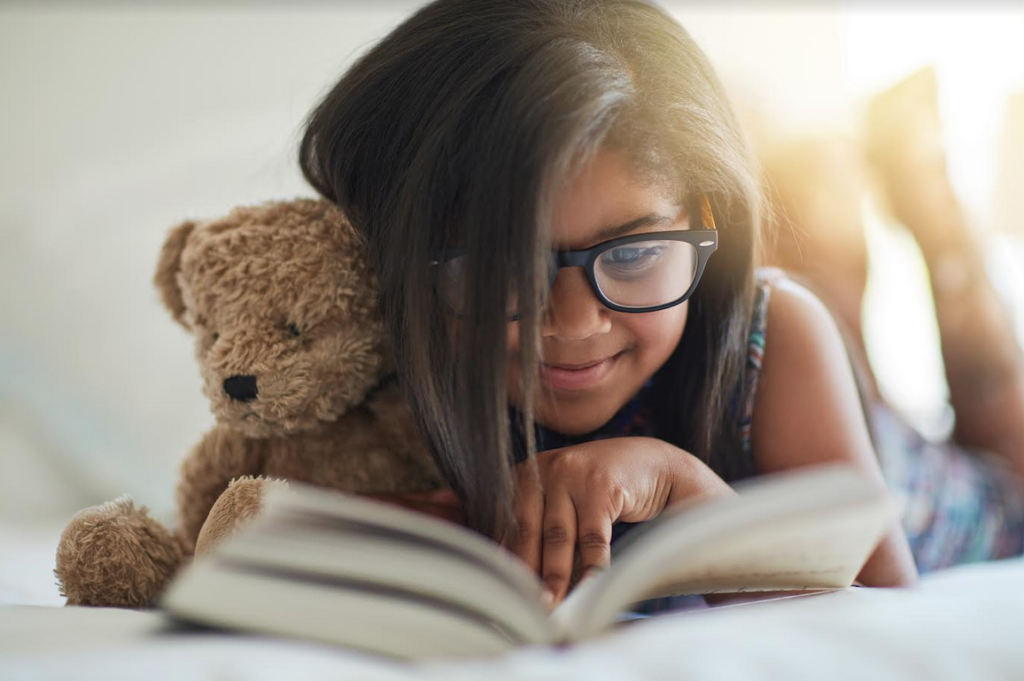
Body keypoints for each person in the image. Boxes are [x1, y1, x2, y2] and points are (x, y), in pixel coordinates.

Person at [298, 0, 921, 612]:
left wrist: (685, 491)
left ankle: (934, 239)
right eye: (500, 269)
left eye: (631, 255)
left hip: (951, 493)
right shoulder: (392, 358)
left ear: (708, 219)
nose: (573, 324)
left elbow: (889, 626)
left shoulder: (780, 333)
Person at [761, 68, 1024, 574]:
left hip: (917, 466)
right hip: (972, 497)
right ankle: (937, 234)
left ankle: (921, 236)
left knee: (849, 372)